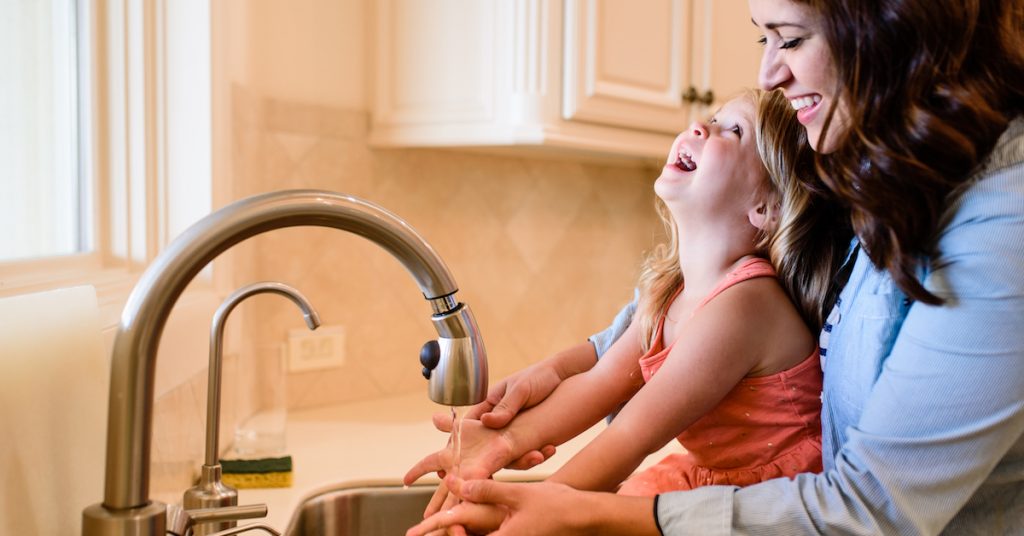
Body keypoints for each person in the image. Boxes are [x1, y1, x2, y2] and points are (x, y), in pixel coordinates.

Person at [407, 0, 1024, 533]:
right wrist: (509, 437)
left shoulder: (1001, 221)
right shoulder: (880, 173)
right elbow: (624, 359)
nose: (769, 70)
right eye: (765, 37)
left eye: (791, 37)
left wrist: (552, 505)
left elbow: (872, 510)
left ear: (889, 28)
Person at [404, 87, 850, 518]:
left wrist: (528, 509)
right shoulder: (669, 294)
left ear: (766, 207)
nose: (699, 125)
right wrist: (500, 442)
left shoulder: (746, 305)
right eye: (711, 119)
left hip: (771, 503)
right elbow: (596, 385)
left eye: (732, 131)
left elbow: (631, 436)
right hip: (714, 481)